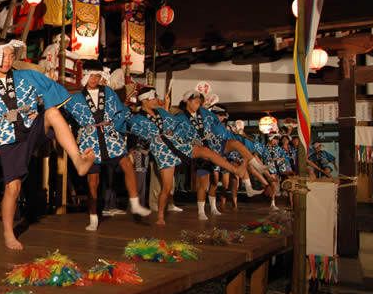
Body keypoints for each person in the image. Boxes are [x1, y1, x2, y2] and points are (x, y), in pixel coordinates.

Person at [0, 35, 95, 250]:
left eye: (10, 55)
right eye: (2, 55)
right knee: (13, 187)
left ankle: (79, 161)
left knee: (53, 112)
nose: (7, 60)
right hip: (9, 135)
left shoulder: (27, 76)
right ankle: (9, 233)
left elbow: (55, 92)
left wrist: (41, 110)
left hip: (32, 126)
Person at [125, 87, 246, 225]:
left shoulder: (162, 112)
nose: (156, 101)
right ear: (144, 101)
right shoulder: (137, 119)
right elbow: (138, 133)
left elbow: (178, 124)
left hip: (177, 144)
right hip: (163, 152)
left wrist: (198, 118)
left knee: (206, 151)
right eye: (153, 99)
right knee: (166, 186)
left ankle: (235, 170)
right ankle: (160, 217)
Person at [62, 61, 151, 231]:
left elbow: (120, 112)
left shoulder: (109, 92)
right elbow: (65, 114)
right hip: (90, 139)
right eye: (91, 75)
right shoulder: (75, 98)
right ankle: (93, 216)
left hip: (110, 136)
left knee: (127, 164)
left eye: (97, 76)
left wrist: (117, 126)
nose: (94, 79)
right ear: (85, 76)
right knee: (92, 181)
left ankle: (135, 203)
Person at [174, 91, 267, 220]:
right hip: (200, 151)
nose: (198, 105)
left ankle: (258, 167)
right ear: (187, 102)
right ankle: (201, 211)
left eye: (199, 103)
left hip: (214, 145)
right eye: (196, 102)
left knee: (234, 144)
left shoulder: (204, 112)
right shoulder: (179, 118)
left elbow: (216, 121)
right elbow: (176, 135)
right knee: (204, 184)